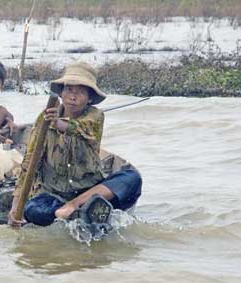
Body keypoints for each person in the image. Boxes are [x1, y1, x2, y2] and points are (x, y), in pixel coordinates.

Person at [8, 61, 142, 227]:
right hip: (54, 195)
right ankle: (66, 212)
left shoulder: (95, 116)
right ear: (62, 93)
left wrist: (57, 123)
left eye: (80, 92)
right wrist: (15, 207)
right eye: (69, 90)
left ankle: (74, 207)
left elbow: (79, 128)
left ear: (89, 98)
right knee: (32, 210)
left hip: (90, 191)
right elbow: (29, 163)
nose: (73, 96)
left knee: (132, 178)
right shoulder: (44, 119)